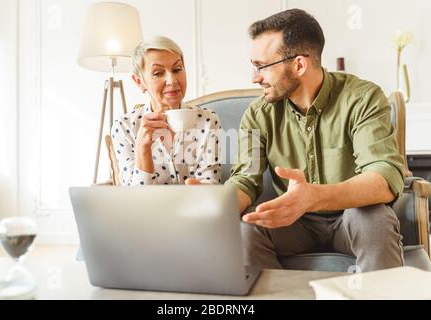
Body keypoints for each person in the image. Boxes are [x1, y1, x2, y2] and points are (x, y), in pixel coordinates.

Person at [225, 9, 405, 272]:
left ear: (299, 65)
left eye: (262, 66)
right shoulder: (257, 114)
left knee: (373, 219)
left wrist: (313, 197)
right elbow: (245, 180)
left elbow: (383, 178)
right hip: (293, 224)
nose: (255, 77)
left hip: (351, 217)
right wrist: (212, 205)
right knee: (247, 228)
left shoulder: (362, 98)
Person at [111, 36, 221, 186]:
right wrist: (143, 148)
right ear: (139, 82)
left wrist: (201, 189)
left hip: (194, 208)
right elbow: (134, 199)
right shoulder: (124, 127)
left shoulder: (207, 120)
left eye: (177, 70)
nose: (172, 80)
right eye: (158, 73)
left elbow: (211, 185)